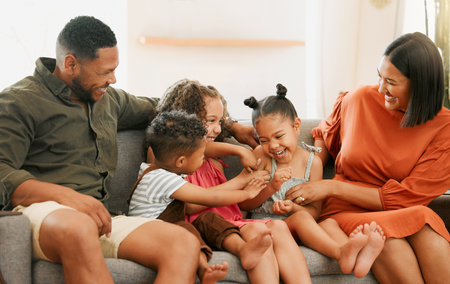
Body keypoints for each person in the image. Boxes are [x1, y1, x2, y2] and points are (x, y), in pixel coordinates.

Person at [0, 16, 257, 283]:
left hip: (102, 218)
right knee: (77, 226)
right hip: (44, 215)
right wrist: (67, 197)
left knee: (183, 244)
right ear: (71, 64)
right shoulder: (19, 101)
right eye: (104, 72)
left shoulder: (108, 99)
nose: (112, 79)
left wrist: (230, 126)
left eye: (114, 69)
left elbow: (177, 109)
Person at [285, 32, 450, 284]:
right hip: (342, 211)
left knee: (422, 225)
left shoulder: (444, 128)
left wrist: (330, 186)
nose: (382, 88)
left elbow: (407, 198)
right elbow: (324, 134)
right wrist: (305, 168)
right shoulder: (359, 99)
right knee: (393, 237)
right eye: (379, 77)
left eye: (391, 81)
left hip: (398, 210)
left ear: (420, 85)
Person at [158, 79, 312, 284]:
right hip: (205, 226)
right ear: (185, 120)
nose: (219, 129)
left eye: (220, 122)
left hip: (233, 223)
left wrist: (254, 183)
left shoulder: (215, 164)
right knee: (260, 234)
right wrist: (238, 152)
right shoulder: (169, 155)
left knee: (278, 229)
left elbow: (236, 205)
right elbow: (190, 202)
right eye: (211, 121)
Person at [241, 83, 386, 278]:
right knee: (300, 219)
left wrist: (293, 209)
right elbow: (243, 203)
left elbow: (314, 213)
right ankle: (340, 253)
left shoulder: (313, 162)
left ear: (296, 126)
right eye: (264, 140)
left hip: (297, 227)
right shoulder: (261, 156)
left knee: (328, 223)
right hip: (265, 227)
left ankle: (356, 253)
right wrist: (270, 188)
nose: (273, 146)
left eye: (279, 136)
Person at [128, 110, 274, 283]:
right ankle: (203, 268)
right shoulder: (161, 178)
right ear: (181, 161)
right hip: (148, 235)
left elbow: (202, 201)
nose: (204, 158)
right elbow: (209, 197)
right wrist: (246, 192)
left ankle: (243, 249)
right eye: (201, 156)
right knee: (185, 229)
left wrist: (242, 180)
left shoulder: (164, 171)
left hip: (169, 229)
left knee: (209, 219)